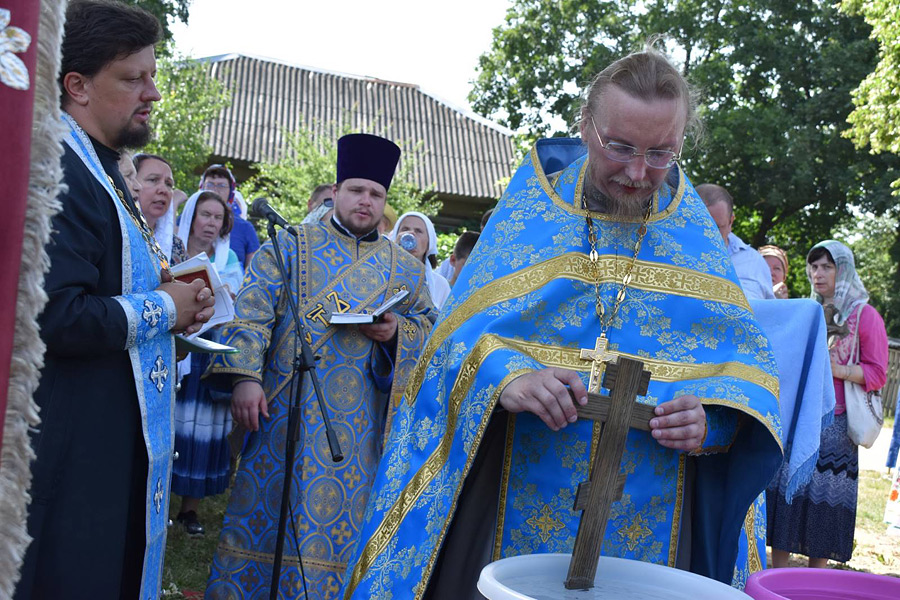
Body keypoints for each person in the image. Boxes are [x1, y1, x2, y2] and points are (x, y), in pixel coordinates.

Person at [341, 46, 783, 600]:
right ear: (585, 126)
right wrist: (505, 374)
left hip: (654, 520)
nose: (638, 171)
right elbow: (447, 343)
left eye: (661, 153)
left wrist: (711, 423)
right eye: (619, 146)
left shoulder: (696, 239)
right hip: (514, 502)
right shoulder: (530, 216)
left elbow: (745, 376)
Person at [15, 2, 215, 598]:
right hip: (71, 450)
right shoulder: (61, 170)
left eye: (151, 76)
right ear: (76, 85)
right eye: (133, 78)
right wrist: (164, 309)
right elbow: (54, 314)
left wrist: (173, 302)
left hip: (105, 440)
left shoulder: (102, 169)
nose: (151, 93)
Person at [204, 133, 436, 599]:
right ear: (336, 190)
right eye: (356, 190)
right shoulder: (288, 245)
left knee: (341, 534)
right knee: (268, 520)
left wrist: (397, 335)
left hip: (359, 428)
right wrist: (246, 379)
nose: (365, 201)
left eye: (376, 194)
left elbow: (433, 332)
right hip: (285, 411)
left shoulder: (407, 270)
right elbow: (251, 312)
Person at [768, 240, 888, 568]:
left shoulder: (865, 316)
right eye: (814, 266)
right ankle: (777, 574)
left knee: (824, 504)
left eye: (827, 266)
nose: (818, 274)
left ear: (843, 270)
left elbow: (878, 373)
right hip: (800, 415)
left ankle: (814, 580)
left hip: (836, 425)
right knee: (788, 495)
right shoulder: (806, 310)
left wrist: (835, 369)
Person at [170, 190, 242, 537]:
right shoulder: (171, 249)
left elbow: (239, 304)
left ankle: (189, 509)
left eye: (218, 217)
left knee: (203, 428)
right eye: (205, 215)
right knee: (174, 423)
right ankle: (159, 502)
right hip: (179, 350)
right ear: (192, 217)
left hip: (210, 352)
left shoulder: (230, 260)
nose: (211, 223)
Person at [698, 183, 775, 300]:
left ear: (731, 222)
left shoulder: (754, 262)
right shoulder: (670, 256)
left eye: (717, 227)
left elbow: (769, 312)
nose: (708, 234)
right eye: (700, 226)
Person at [197, 164, 260, 270]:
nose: (215, 190)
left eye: (221, 185)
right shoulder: (188, 220)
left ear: (231, 192)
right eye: (210, 184)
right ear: (202, 188)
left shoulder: (245, 228)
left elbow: (252, 272)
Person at [134, 153, 188, 266]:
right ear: (131, 183)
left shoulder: (176, 246)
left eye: (169, 184)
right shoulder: (115, 232)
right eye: (153, 180)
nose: (163, 189)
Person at [390, 211, 451, 309]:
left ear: (429, 241)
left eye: (418, 231)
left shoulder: (440, 284)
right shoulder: (384, 274)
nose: (411, 234)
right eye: (405, 229)